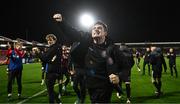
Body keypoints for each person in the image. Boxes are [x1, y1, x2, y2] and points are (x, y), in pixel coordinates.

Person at [53, 13, 120, 103]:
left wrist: (118, 75)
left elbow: (126, 63)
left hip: (104, 84)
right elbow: (73, 33)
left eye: (99, 28)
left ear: (105, 33)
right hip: (91, 83)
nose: (96, 30)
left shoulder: (112, 47)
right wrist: (62, 22)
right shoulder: (87, 39)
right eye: (94, 28)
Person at [33, 34, 62, 103]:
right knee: (50, 89)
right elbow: (46, 57)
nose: (49, 41)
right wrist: (40, 54)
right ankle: (58, 100)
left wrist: (38, 52)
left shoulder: (55, 47)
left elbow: (44, 58)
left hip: (52, 72)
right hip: (52, 71)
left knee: (50, 91)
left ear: (55, 40)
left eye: (51, 40)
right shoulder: (54, 47)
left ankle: (56, 100)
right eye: (48, 40)